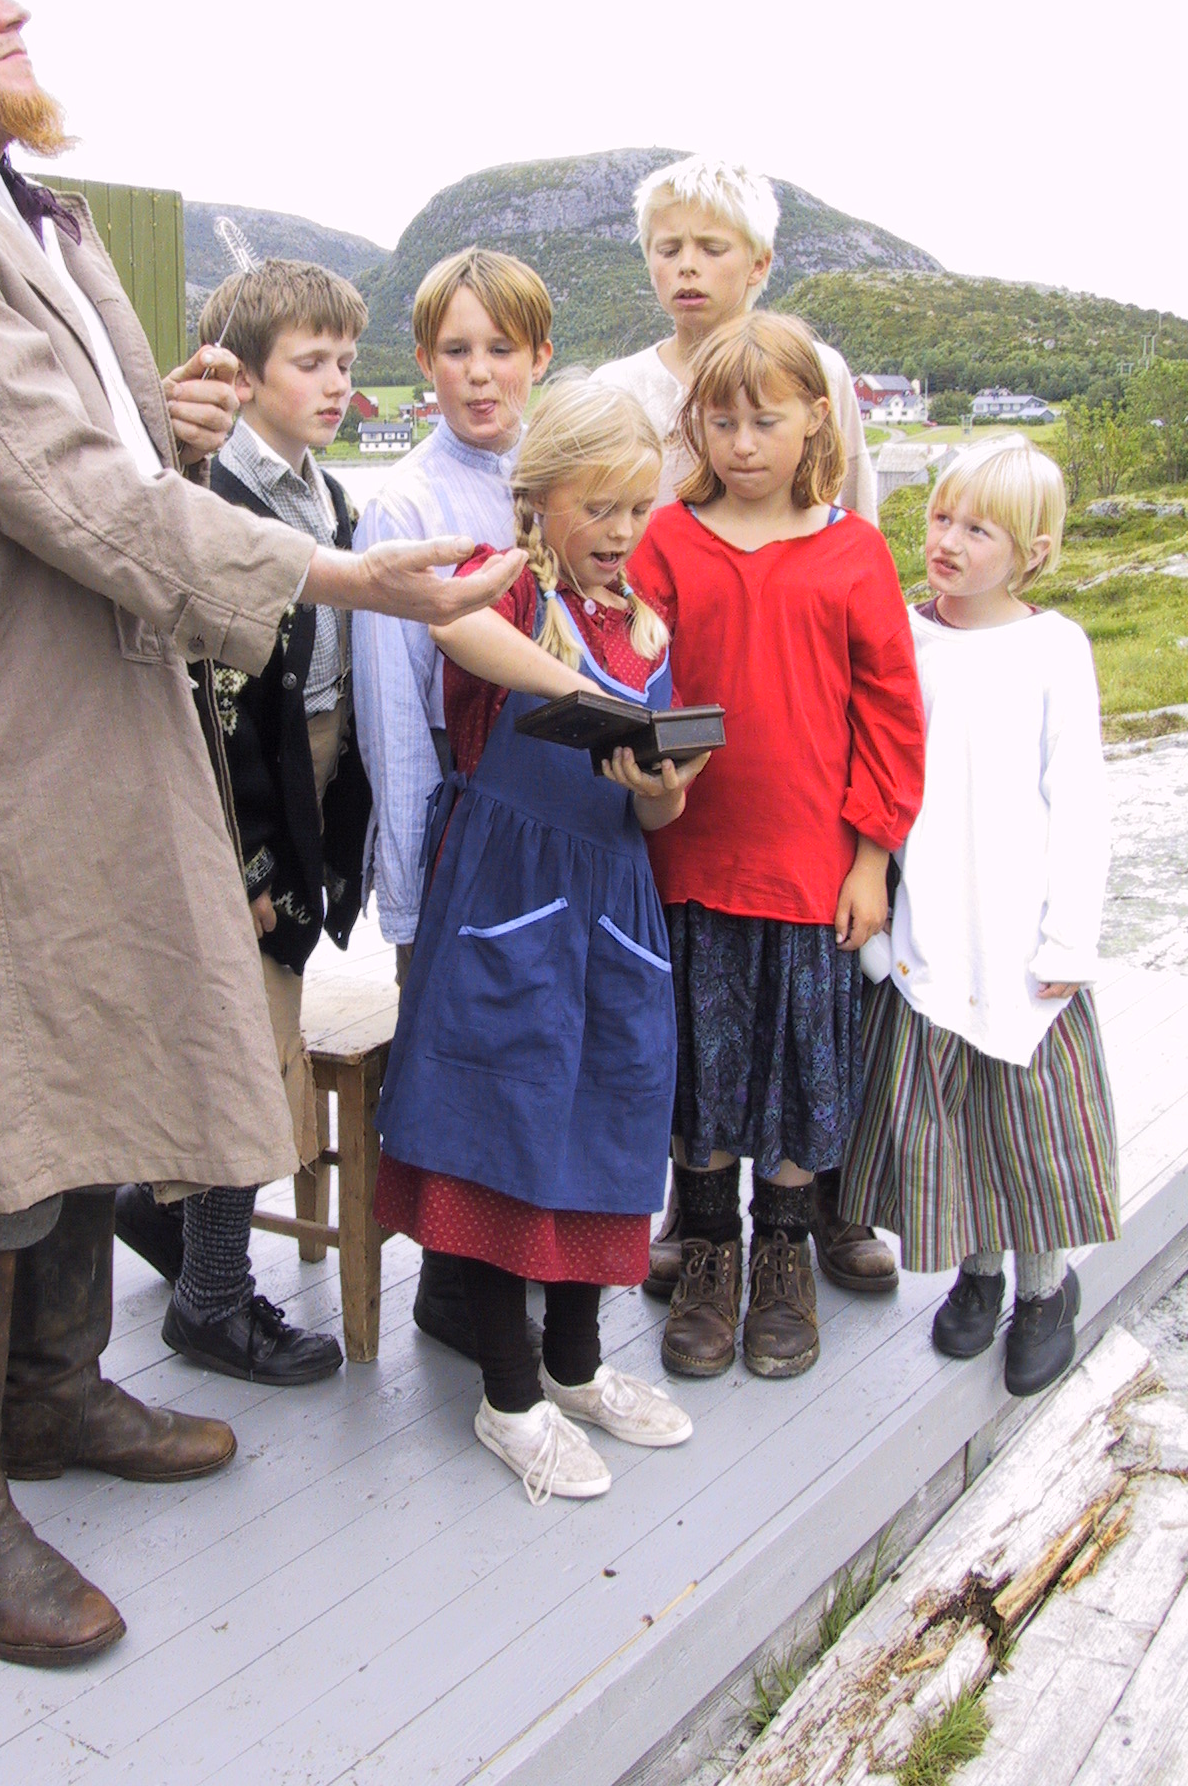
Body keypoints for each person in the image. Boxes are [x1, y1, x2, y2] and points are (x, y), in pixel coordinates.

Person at [0, 0, 524, 1667]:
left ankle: (53, 1394)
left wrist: (168, 423)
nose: (14, 6)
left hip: (96, 704)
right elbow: (65, 491)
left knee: (87, 1034)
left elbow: (102, 450)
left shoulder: (21, 205)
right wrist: (341, 577)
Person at [375, 375, 707, 1501]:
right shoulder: (507, 587)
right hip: (507, 893)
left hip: (615, 900)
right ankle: (507, 1395)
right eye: (597, 508)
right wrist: (584, 690)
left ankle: (576, 1366)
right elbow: (451, 626)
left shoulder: (650, 619)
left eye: (636, 509)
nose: (620, 533)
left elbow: (655, 807)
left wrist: (656, 780)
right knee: (496, 1122)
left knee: (606, 1124)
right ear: (538, 500)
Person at [596, 154, 890, 1297]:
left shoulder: (828, 389)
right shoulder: (635, 410)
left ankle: (807, 1223)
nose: (686, 265)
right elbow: (621, 611)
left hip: (807, 825)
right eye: (668, 246)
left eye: (710, 247)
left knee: (810, 1024)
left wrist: (871, 840)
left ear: (758, 263)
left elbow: (864, 632)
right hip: (688, 829)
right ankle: (700, 1223)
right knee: (698, 1029)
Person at [629, 315, 924, 1381]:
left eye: (767, 418)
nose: (744, 441)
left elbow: (892, 716)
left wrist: (872, 857)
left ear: (815, 421)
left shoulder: (855, 549)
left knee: (803, 1069)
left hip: (811, 870)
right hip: (691, 862)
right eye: (722, 419)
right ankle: (707, 1252)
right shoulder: (663, 539)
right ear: (693, 424)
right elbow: (634, 678)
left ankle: (784, 1253)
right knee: (701, 1075)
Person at [117, 261, 372, 1386]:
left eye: (346, 364)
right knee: (246, 1053)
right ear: (243, 374)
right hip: (239, 805)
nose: (336, 384)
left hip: (304, 781)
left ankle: (153, 1208)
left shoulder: (325, 493)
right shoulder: (216, 499)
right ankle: (211, 1300)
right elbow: (206, 704)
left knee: (255, 1028)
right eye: (310, 363)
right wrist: (256, 857)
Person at [840, 440, 1118, 1397]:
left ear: (1031, 551)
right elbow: (870, 773)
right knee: (951, 1122)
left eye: (977, 529)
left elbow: (1077, 798)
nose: (947, 542)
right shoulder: (905, 637)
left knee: (1029, 1126)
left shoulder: (1054, 649)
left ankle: (1045, 1284)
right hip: (932, 925)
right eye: (939, 518)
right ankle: (981, 1268)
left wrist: (1070, 937)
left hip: (1022, 932)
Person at [352, 247, 553, 1359]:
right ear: (424, 363)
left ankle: (517, 1257)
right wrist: (412, 880)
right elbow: (391, 702)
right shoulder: (406, 501)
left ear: (539, 356)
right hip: (452, 807)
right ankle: (450, 1280)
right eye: (457, 353)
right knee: (453, 1052)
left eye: (502, 351)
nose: (481, 376)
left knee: (527, 1041)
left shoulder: (553, 476)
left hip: (546, 812)